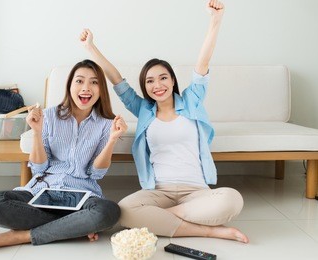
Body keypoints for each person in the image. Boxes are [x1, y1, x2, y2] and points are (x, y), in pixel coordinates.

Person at [81, 0, 249, 243]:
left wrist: (215, 21)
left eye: (163, 78)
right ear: (145, 87)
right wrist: (91, 48)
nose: (157, 85)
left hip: (196, 191)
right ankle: (210, 231)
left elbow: (202, 65)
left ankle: (163, 219)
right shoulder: (144, 110)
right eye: (150, 81)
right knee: (125, 210)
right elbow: (117, 80)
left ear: (172, 81)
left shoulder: (191, 101)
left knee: (232, 199)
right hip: (159, 192)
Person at [0, 59, 128, 250]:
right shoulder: (48, 116)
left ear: (101, 90)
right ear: (70, 86)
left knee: (107, 212)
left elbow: (95, 173)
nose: (86, 88)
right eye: (80, 81)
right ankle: (73, 225)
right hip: (40, 191)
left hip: (82, 194)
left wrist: (112, 140)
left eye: (94, 82)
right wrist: (37, 133)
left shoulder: (106, 124)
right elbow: (39, 168)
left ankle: (23, 235)